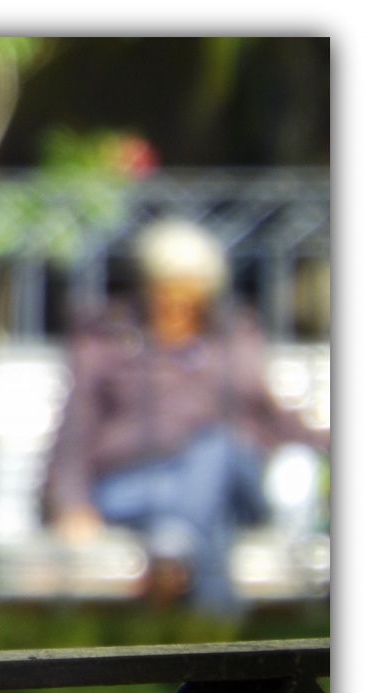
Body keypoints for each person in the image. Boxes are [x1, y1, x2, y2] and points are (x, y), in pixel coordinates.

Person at [44, 219, 329, 615]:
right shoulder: (109, 338)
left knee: (217, 448)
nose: (174, 299)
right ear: (148, 284)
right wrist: (71, 502)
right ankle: (218, 648)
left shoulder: (233, 335)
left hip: (233, 477)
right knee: (209, 522)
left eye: (187, 288)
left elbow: (272, 416)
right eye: (165, 286)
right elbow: (76, 427)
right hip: (134, 484)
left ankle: (175, 547)